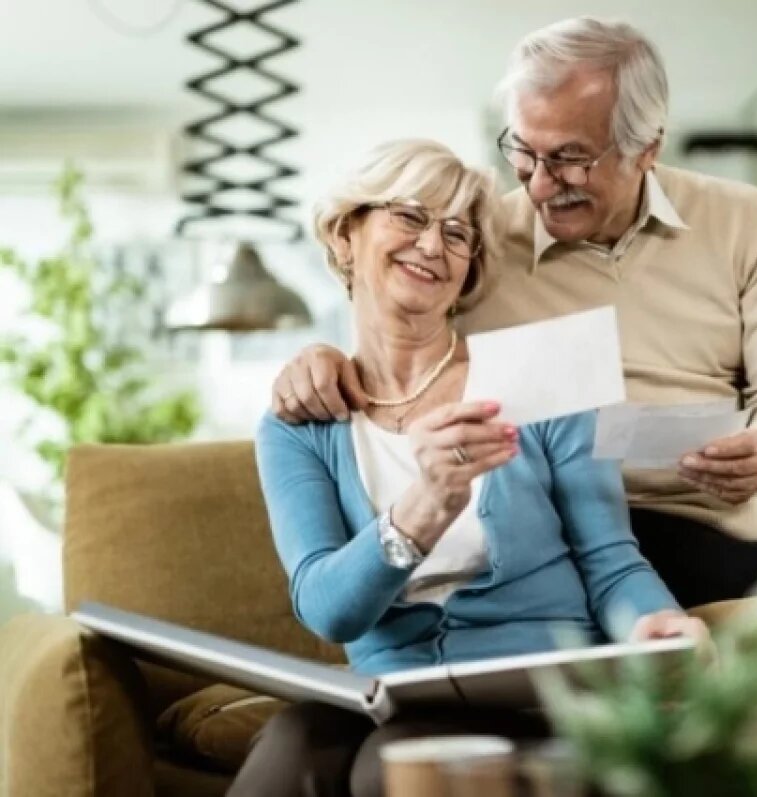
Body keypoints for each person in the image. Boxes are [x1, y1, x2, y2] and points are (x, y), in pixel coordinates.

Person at [269, 17, 757, 777]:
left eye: (568, 158)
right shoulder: (481, 234)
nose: (537, 182)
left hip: (712, 518)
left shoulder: (743, 221)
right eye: (522, 150)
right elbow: (400, 319)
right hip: (576, 517)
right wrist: (322, 356)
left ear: (646, 146)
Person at [230, 138, 707, 797]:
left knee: (390, 765)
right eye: (410, 216)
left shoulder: (543, 380)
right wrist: (422, 508)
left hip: (536, 691)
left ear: (469, 270)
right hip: (390, 693)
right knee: (292, 744)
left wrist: (657, 625)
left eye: (457, 234)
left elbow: (610, 558)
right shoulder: (300, 424)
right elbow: (327, 609)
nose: (433, 245)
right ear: (345, 235)